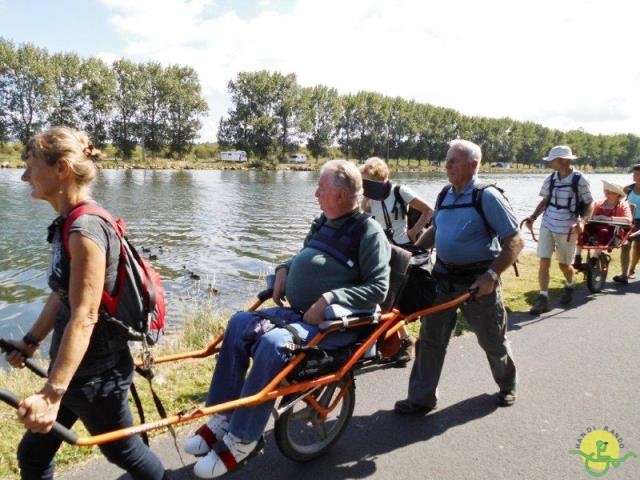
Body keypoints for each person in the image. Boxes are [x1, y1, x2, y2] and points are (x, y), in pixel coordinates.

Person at [183, 159, 390, 478]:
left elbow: (378, 288)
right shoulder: (323, 222)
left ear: (338, 195)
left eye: (320, 188)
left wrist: (331, 298)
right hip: (299, 314)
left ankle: (243, 439)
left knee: (273, 343)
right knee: (239, 323)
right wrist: (285, 267)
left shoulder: (368, 231)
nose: (315, 194)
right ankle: (223, 417)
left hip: (332, 324)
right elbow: (306, 255)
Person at [5, 127, 167, 480]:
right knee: (33, 454)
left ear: (61, 168)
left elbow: (84, 315)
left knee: (126, 452)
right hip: (76, 369)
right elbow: (63, 294)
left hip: (95, 375)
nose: (23, 175)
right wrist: (31, 341)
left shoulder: (85, 230)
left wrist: (52, 393)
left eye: (30, 165)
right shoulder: (69, 223)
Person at [394, 139, 523, 415]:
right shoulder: (445, 194)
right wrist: (413, 250)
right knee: (430, 340)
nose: (447, 165)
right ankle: (421, 398)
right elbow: (436, 230)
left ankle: (507, 384)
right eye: (447, 159)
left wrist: (491, 275)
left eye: (454, 160)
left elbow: (514, 241)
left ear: (473, 165)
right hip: (442, 279)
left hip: (479, 283)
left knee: (492, 339)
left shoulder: (487, 196)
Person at [359, 156, 433, 364]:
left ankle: (403, 342)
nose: (366, 184)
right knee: (385, 300)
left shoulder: (400, 191)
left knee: (393, 300)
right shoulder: (370, 197)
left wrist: (414, 231)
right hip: (382, 251)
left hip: (401, 250)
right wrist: (365, 197)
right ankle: (397, 341)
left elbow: (429, 211)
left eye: (368, 180)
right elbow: (364, 212)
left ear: (379, 177)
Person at [522, 145, 593, 315]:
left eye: (552, 160)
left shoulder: (580, 179)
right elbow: (546, 200)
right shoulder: (551, 179)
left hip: (567, 228)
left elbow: (590, 203)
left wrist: (583, 221)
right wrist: (532, 217)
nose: (549, 163)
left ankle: (570, 284)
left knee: (563, 264)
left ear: (562, 161)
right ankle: (543, 297)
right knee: (544, 260)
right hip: (547, 224)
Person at [622, 164, 640, 279]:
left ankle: (632, 268)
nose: (635, 176)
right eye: (634, 174)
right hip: (629, 221)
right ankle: (624, 274)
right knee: (625, 245)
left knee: (638, 247)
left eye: (638, 174)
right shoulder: (628, 188)